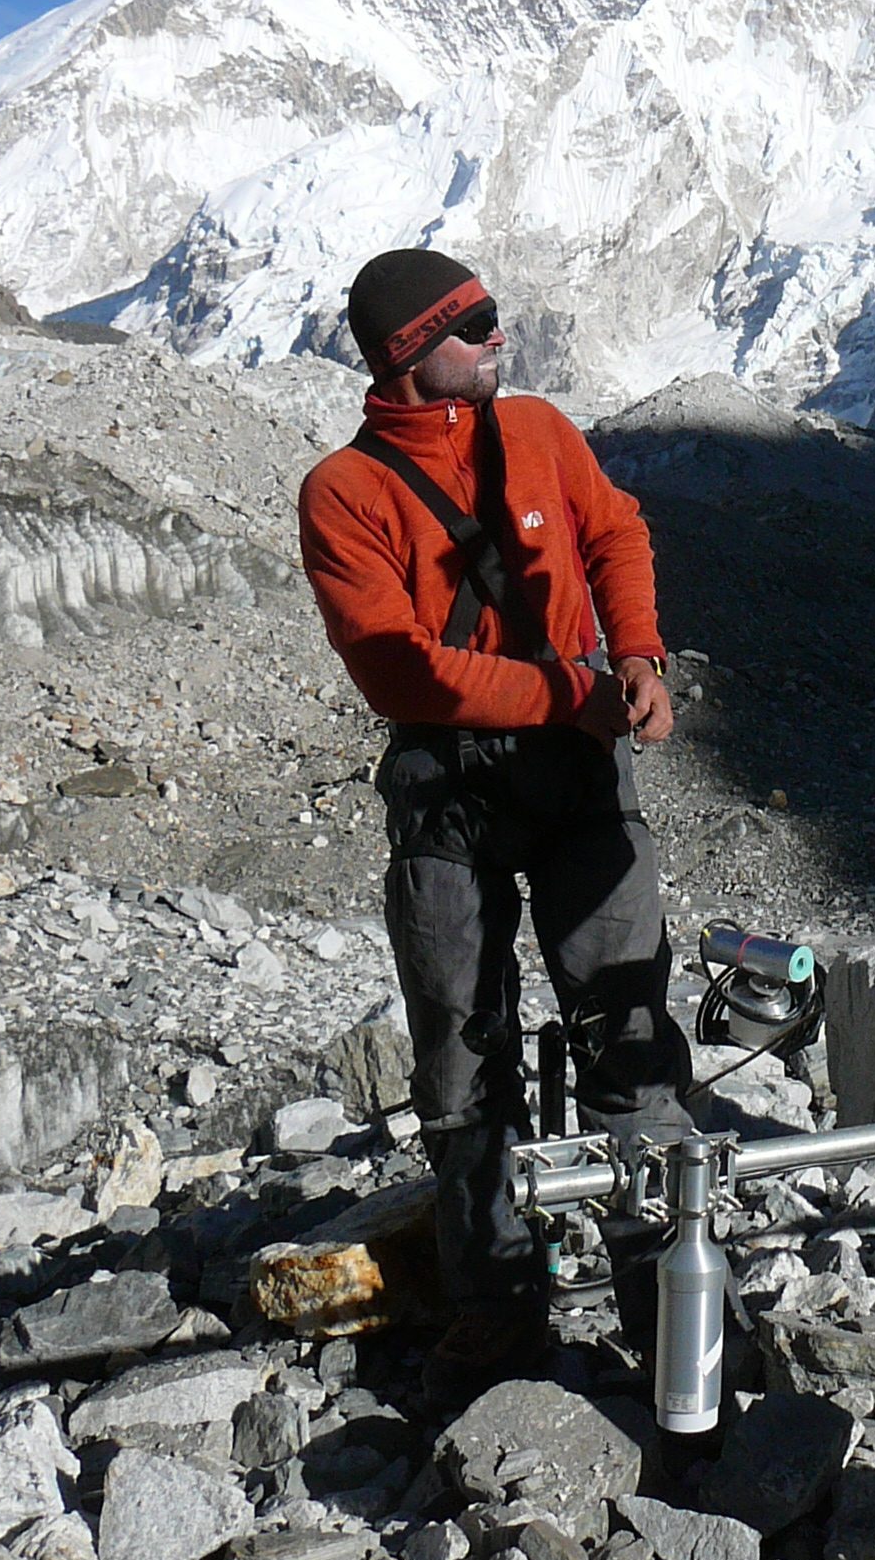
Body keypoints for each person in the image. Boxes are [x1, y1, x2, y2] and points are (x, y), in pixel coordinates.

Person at [297, 247, 694, 1403]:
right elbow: (398, 670)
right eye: (475, 323)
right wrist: (570, 694)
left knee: (629, 1034)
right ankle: (497, 1307)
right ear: (411, 355)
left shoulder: (537, 430)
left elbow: (616, 534)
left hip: (576, 765)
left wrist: (637, 654)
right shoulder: (345, 493)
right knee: (462, 1065)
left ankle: (671, 1300)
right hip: (452, 789)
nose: (499, 336)